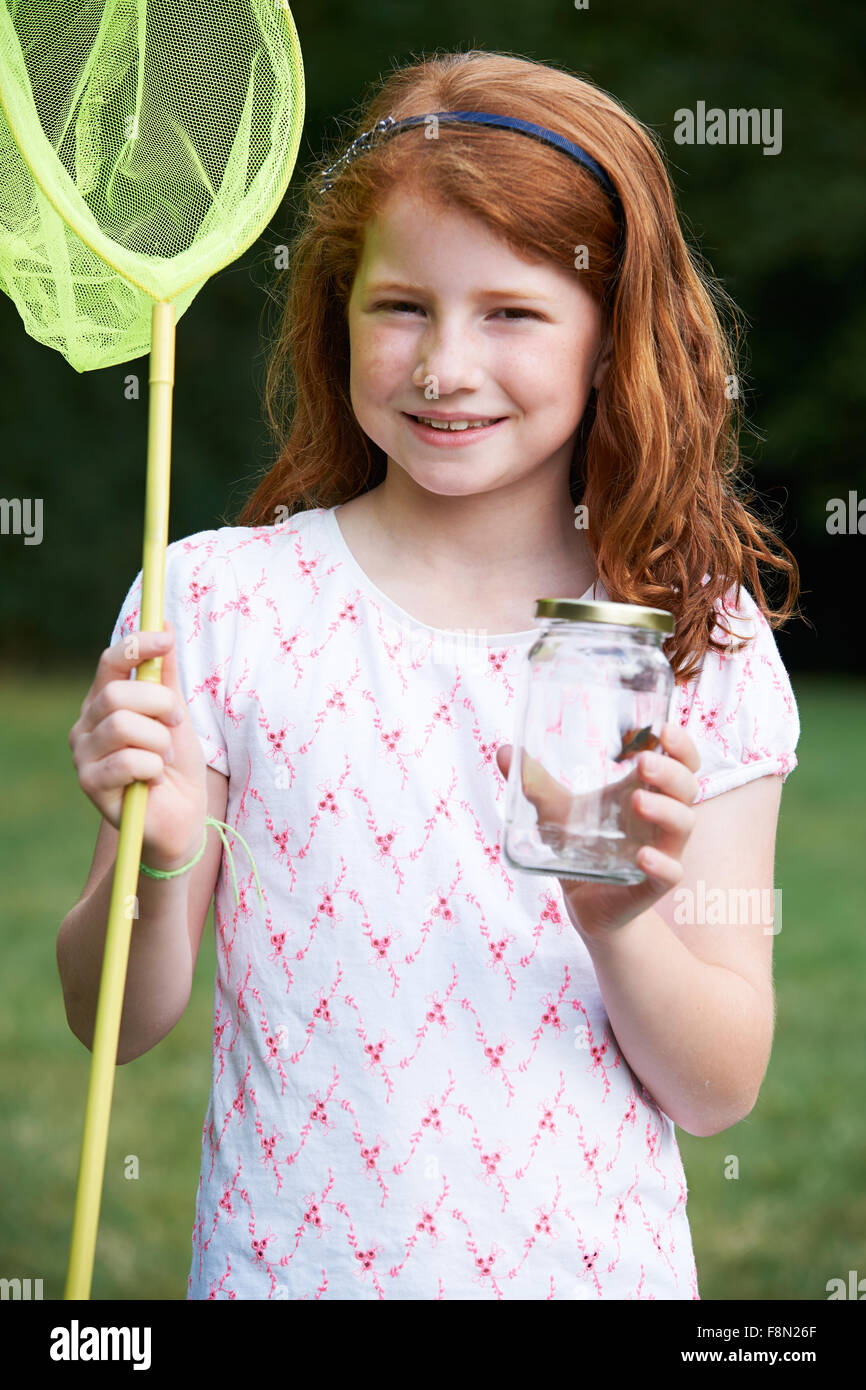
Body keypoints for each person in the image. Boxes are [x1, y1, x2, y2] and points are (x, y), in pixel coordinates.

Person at [58, 50, 802, 1300]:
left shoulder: (687, 634)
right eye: (400, 306)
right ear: (335, 309)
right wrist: (165, 853)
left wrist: (618, 921)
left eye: (510, 313)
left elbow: (718, 1086)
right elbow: (111, 1026)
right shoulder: (221, 604)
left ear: (609, 329)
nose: (443, 366)